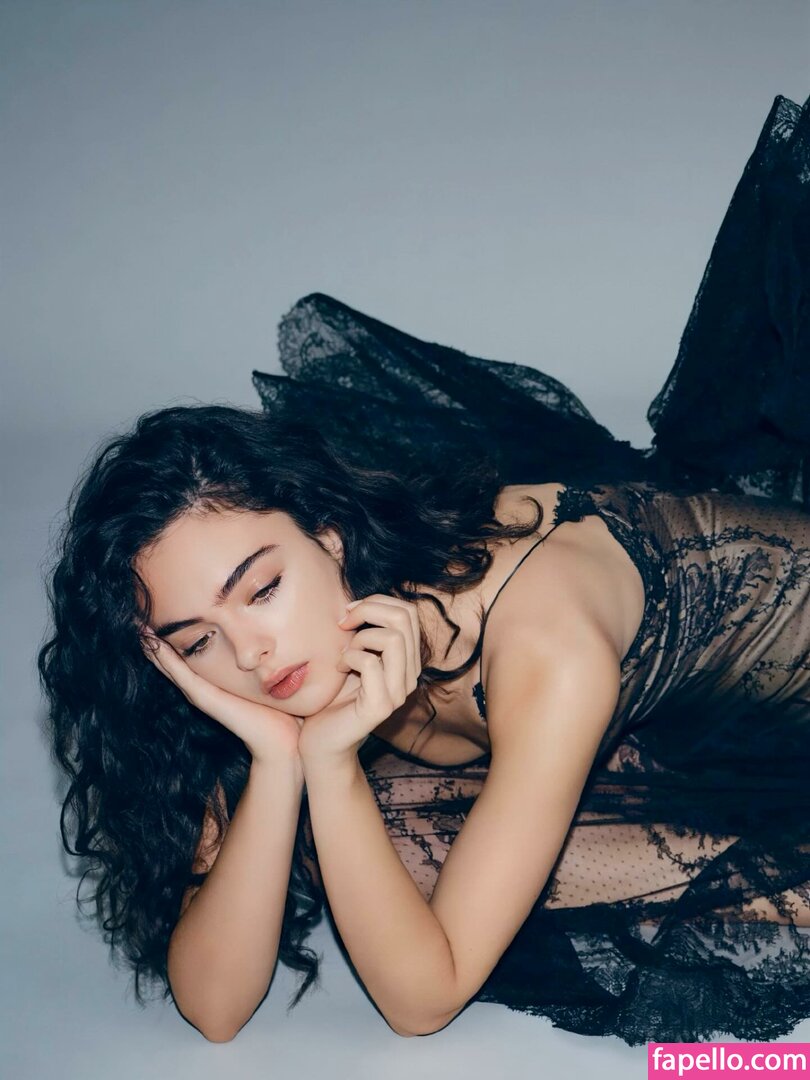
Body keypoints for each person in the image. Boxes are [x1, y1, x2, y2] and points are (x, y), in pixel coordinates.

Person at [38, 90, 810, 1047]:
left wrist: (332, 765)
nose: (250, 655)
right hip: (690, 719)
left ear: (329, 539)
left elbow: (422, 999)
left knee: (404, 856)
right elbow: (215, 1005)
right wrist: (278, 763)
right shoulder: (261, 673)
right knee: (381, 848)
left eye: (263, 589)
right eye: (197, 641)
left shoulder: (544, 644)